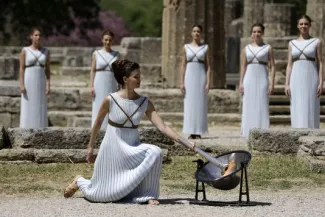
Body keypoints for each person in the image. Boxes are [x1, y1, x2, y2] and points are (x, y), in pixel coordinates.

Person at [64, 59, 195, 205]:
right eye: (136, 76)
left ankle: (147, 195)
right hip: (112, 151)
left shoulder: (144, 102)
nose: (140, 79)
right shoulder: (110, 99)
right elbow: (98, 123)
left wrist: (185, 142)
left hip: (132, 149)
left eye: (140, 75)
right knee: (100, 196)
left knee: (155, 152)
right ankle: (80, 181)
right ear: (125, 79)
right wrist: (90, 147)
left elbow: (163, 127)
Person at [285, 15, 323, 128]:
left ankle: (312, 133)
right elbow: (289, 64)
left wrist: (321, 82)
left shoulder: (316, 42)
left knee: (311, 104)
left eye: (306, 24)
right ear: (297, 26)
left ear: (310, 25)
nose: (303, 26)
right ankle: (297, 131)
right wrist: (286, 83)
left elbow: (320, 63)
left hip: (311, 76)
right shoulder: (292, 43)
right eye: (301, 24)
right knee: (297, 104)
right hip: (296, 77)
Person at [239, 23, 275, 137]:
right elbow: (243, 66)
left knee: (262, 104)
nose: (256, 34)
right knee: (248, 104)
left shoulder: (268, 48)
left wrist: (272, 83)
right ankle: (247, 131)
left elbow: (272, 66)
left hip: (262, 79)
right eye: (254, 32)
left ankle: (262, 131)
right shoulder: (246, 49)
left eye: (259, 31)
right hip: (249, 79)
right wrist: (240, 82)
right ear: (251, 34)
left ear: (262, 33)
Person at [180, 24, 210, 139]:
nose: (196, 33)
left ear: (201, 34)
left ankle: (199, 130)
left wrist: (208, 82)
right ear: (191, 33)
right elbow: (183, 65)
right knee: (189, 103)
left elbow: (208, 66)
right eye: (194, 31)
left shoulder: (205, 48)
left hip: (200, 77)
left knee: (200, 103)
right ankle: (190, 130)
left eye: (198, 31)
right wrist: (181, 82)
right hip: (189, 77)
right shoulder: (186, 47)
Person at [19, 27, 50, 128]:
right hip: (29, 79)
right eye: (36, 35)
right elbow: (21, 68)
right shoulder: (25, 51)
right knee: (28, 103)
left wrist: (48, 84)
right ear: (31, 37)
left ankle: (40, 127)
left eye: (39, 35)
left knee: (40, 104)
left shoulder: (45, 51)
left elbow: (48, 69)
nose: (38, 37)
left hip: (41, 79)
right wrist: (22, 84)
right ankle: (26, 127)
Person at [91, 30, 120, 130]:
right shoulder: (96, 53)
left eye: (110, 40)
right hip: (99, 81)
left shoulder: (116, 54)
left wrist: (119, 86)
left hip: (111, 81)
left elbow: (118, 71)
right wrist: (91, 86)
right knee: (98, 104)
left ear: (113, 41)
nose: (108, 42)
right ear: (102, 40)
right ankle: (97, 128)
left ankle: (110, 129)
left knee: (111, 105)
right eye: (106, 40)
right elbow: (93, 70)